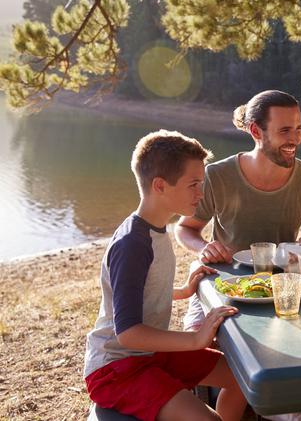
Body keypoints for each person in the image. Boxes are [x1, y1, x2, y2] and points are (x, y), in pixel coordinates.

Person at [83, 130, 247, 421]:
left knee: (244, 378)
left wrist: (182, 291)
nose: (201, 193)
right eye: (193, 185)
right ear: (160, 185)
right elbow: (129, 333)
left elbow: (137, 290)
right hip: (116, 369)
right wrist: (196, 338)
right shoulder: (132, 244)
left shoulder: (155, 228)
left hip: (149, 354)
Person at [176, 89, 301, 330]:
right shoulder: (216, 175)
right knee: (197, 343)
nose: (296, 139)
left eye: (298, 128)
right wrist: (205, 248)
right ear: (256, 131)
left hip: (281, 287)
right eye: (285, 130)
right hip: (222, 283)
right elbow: (185, 228)